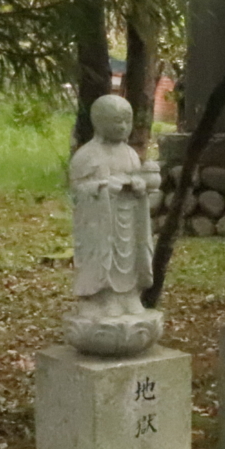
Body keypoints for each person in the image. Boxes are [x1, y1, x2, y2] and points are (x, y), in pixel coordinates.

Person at [69, 95, 161, 318]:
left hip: (129, 220)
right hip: (101, 224)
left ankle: (129, 298)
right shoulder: (87, 155)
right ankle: (103, 299)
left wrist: (139, 185)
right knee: (104, 258)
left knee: (130, 258)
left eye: (126, 121)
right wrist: (102, 188)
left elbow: (144, 183)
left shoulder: (130, 154)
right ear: (99, 123)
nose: (122, 127)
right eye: (116, 121)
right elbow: (78, 190)